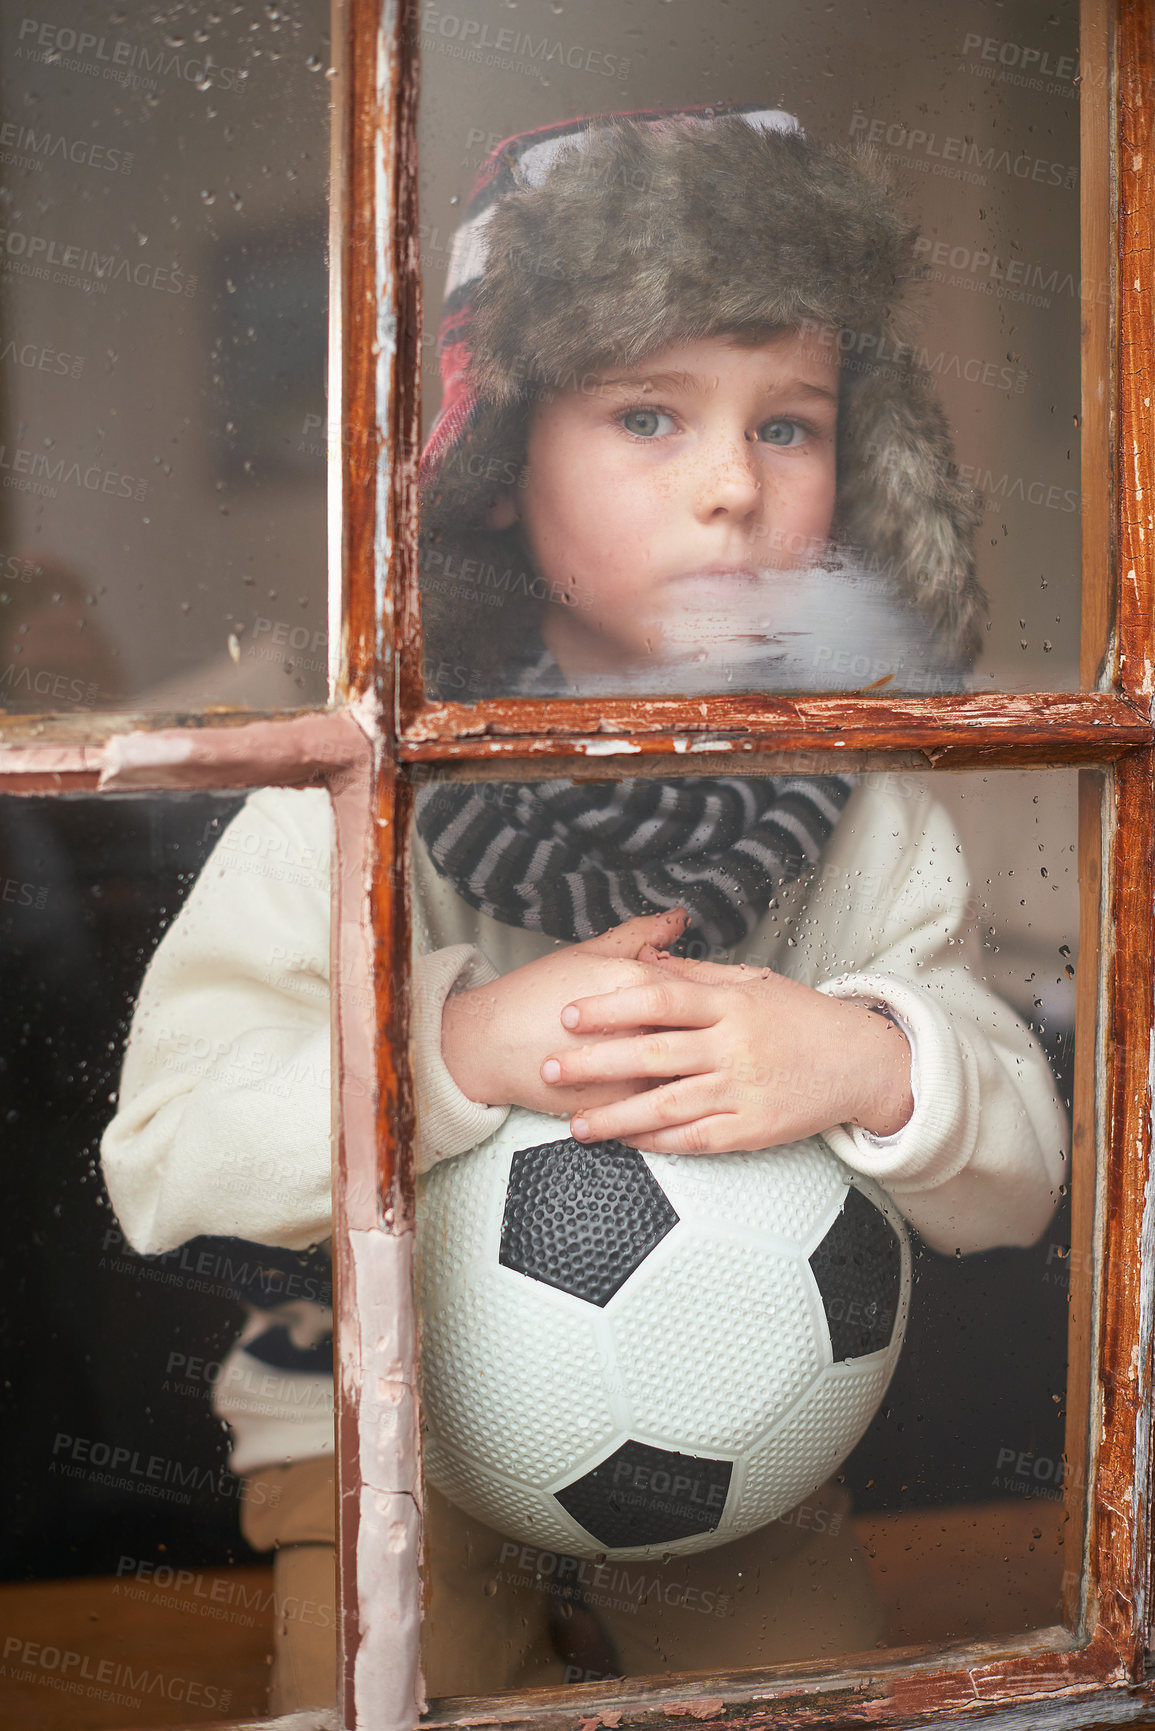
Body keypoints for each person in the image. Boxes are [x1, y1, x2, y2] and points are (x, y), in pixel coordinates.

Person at [101, 105, 1068, 1707]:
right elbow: (163, 1153)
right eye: (645, 416)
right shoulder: (361, 790)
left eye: (790, 425)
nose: (728, 494)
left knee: (813, 1698)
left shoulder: (868, 810)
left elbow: (1021, 1170)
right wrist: (456, 1052)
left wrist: (874, 1058)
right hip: (380, 1440)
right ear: (496, 463)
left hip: (739, 1431)